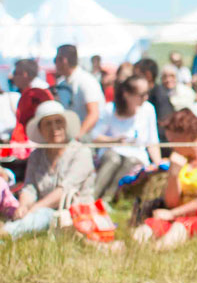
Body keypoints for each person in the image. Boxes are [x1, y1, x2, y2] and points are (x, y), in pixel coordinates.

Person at [132, 108, 197, 249]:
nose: (171, 146)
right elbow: (171, 203)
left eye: (173, 140)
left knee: (179, 228)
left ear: (189, 137)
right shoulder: (181, 157)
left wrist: (172, 214)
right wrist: (174, 174)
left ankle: (156, 256)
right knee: (145, 229)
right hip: (179, 216)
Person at [2, 102, 95, 239]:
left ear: (65, 125)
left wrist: (33, 209)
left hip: (73, 214)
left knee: (43, 215)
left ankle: (6, 233)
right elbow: (30, 187)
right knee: (38, 215)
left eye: (58, 122)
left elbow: (64, 190)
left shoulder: (81, 152)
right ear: (40, 130)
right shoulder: (36, 155)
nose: (54, 128)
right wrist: (23, 207)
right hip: (39, 214)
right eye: (48, 124)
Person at [90, 74, 161, 201]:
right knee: (113, 160)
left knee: (130, 162)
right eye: (141, 94)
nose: (146, 97)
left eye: (147, 93)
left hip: (136, 155)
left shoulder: (148, 109)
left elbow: (152, 142)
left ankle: (108, 200)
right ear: (127, 94)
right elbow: (95, 137)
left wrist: (158, 165)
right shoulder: (110, 109)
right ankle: (92, 197)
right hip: (112, 152)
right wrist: (114, 140)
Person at [52, 44, 103, 139]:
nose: (54, 64)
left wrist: (77, 136)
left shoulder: (86, 81)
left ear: (64, 60)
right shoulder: (63, 83)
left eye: (55, 60)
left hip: (88, 139)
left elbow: (93, 114)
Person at [136, 58, 174, 128]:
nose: (132, 79)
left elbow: (164, 123)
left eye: (135, 76)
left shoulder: (160, 95)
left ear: (148, 75)